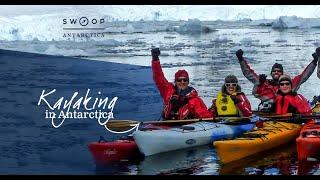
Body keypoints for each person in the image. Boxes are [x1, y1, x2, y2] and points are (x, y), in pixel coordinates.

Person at [235, 48, 318, 111]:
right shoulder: (263, 83)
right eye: (274, 71)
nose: (276, 72)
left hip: (287, 113)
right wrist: (241, 59)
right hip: (267, 112)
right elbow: (249, 74)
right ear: (271, 73)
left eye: (278, 71)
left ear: (282, 73)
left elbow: (304, 76)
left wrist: (314, 62)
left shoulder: (290, 84)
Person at [151, 48, 213, 120]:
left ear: (188, 82)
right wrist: (155, 60)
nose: (182, 82)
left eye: (185, 80)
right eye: (179, 80)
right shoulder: (168, 91)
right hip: (167, 125)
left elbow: (204, 115)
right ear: (175, 81)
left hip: (188, 128)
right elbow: (159, 77)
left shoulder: (195, 99)